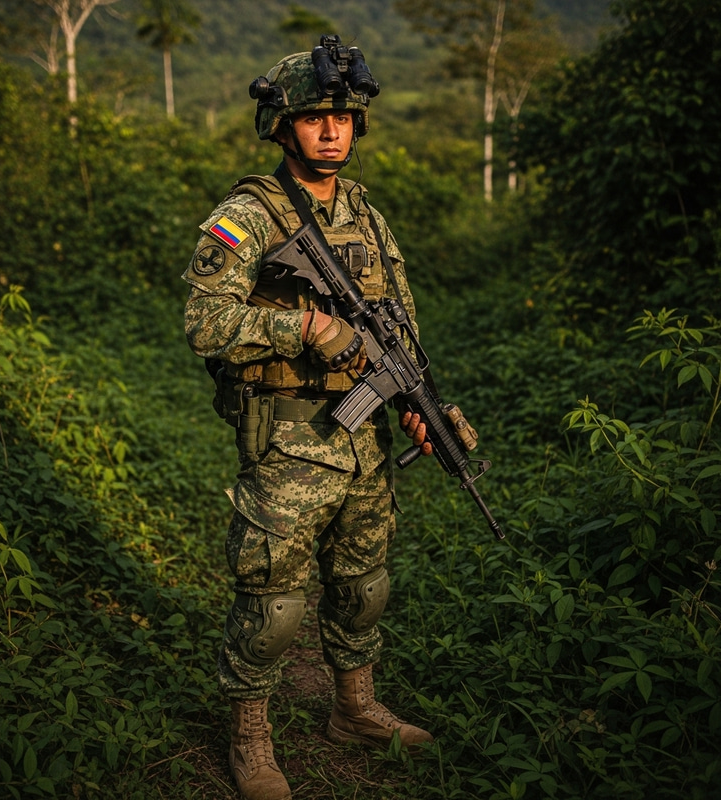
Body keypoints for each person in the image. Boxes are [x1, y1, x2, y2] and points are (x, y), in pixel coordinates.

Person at [182, 35, 433, 800]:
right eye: (316, 116)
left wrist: (427, 401)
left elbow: (401, 319)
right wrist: (302, 330)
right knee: (276, 603)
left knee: (363, 585)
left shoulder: (364, 211)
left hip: (366, 443)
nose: (332, 129)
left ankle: (353, 709)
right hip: (290, 437)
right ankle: (251, 738)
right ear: (284, 125)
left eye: (344, 117)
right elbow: (203, 321)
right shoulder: (248, 215)